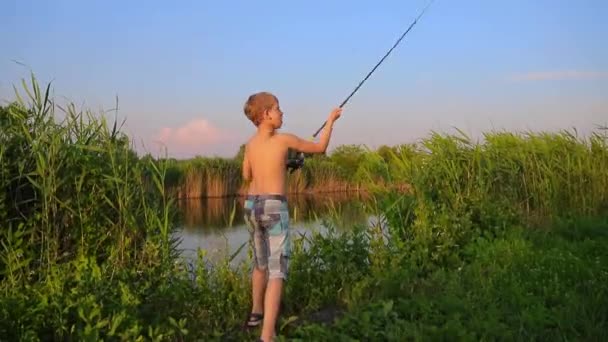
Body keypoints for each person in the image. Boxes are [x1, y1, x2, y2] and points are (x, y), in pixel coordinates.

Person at [241, 92, 341, 341]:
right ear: (266, 114)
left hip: (252, 206)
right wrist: (330, 120)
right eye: (277, 108)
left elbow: (246, 175)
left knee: (260, 263)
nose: (281, 112)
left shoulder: (250, 144)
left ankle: (256, 313)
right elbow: (320, 147)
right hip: (274, 207)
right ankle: (267, 334)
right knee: (277, 271)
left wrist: (280, 165)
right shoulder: (284, 140)